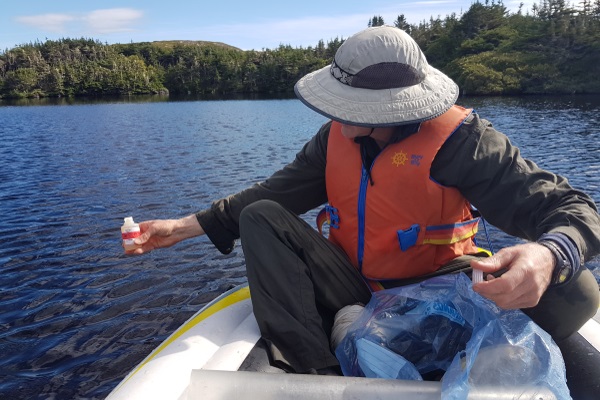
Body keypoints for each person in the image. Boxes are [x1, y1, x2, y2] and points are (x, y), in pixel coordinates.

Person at [126, 26, 600, 376]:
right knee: (261, 217)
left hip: (442, 290)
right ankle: (319, 373)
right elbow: (273, 193)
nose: (339, 118)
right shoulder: (334, 137)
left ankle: (426, 343)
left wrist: (548, 254)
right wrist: (181, 227)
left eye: (353, 110)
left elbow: (573, 209)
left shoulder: (464, 141)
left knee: (576, 290)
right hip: (356, 285)